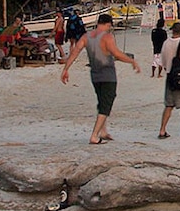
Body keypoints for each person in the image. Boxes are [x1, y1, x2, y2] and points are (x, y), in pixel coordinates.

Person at [60, 14, 140, 144]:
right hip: (107, 74)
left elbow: (75, 52)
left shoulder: (86, 36)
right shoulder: (107, 37)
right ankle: (94, 135)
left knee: (101, 101)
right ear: (108, 24)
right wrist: (132, 61)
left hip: (95, 74)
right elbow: (116, 53)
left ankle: (103, 131)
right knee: (106, 103)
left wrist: (65, 69)